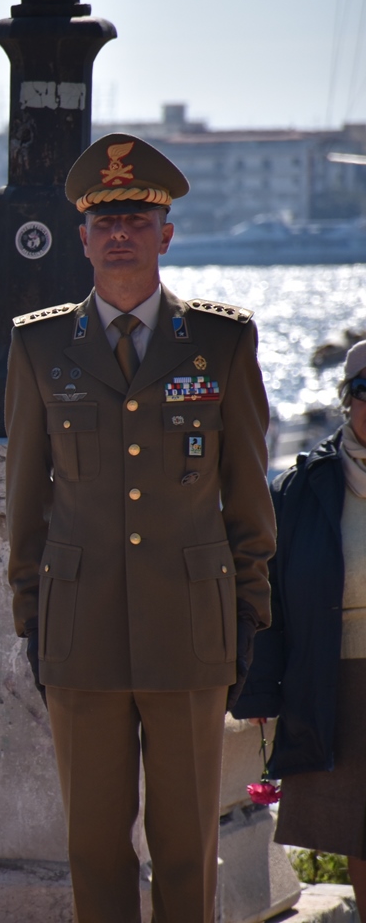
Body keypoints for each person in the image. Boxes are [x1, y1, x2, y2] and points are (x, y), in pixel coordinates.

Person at [5, 134, 275, 923]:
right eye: (106, 220)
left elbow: (247, 492)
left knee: (186, 840)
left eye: (139, 217)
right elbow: (27, 499)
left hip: (190, 626)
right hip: (80, 628)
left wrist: (249, 608)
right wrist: (32, 613)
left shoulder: (222, 343)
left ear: (166, 233)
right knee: (93, 845)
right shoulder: (41, 344)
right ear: (82, 238)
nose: (121, 232)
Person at [233, 341, 366, 902]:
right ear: (346, 400)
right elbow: (271, 601)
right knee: (360, 834)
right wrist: (260, 691)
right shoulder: (302, 489)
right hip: (338, 680)